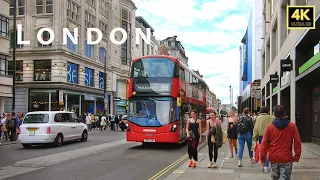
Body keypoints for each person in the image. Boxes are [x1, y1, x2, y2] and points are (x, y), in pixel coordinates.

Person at [260, 105, 301, 180]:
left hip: (273, 157)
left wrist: (262, 157)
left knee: (275, 178)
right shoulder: (292, 126)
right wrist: (297, 155)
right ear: (284, 114)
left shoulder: (269, 126)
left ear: (274, 115)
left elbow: (264, 143)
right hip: (286, 158)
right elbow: (297, 141)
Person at [253, 106, 273, 172]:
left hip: (261, 136)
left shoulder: (258, 118)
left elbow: (256, 128)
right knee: (269, 150)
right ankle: (268, 165)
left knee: (263, 151)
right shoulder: (271, 117)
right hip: (270, 136)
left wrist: (255, 136)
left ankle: (264, 165)